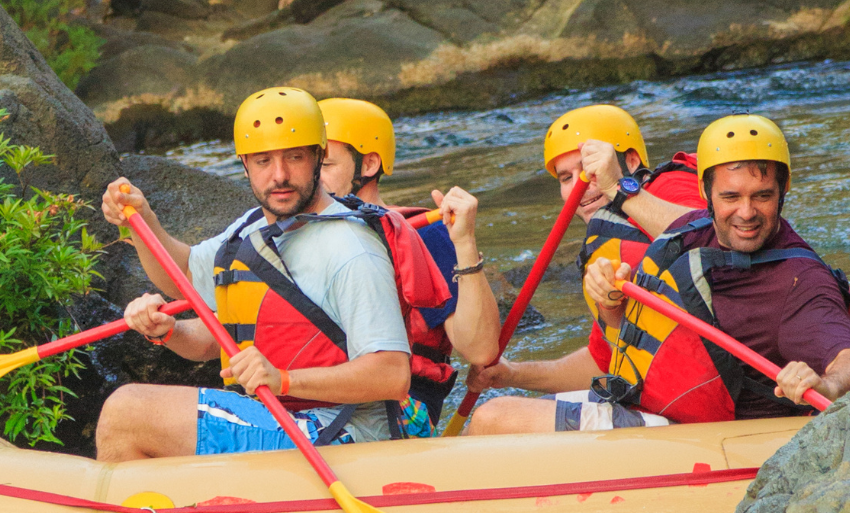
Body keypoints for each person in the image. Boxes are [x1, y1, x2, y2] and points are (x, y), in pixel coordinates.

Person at [467, 114, 850, 433]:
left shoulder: (798, 279)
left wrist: (825, 385)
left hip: (702, 436)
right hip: (650, 406)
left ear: (784, 190)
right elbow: (627, 354)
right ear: (706, 194)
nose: (746, 212)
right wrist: (611, 305)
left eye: (762, 196)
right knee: (498, 413)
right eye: (730, 196)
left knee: (494, 418)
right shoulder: (694, 233)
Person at [94, 86, 447, 461]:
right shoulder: (251, 228)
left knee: (128, 412)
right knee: (130, 409)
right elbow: (183, 276)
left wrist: (283, 379)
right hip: (285, 416)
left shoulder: (352, 249)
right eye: (263, 161)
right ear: (245, 165)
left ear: (318, 156)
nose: (279, 176)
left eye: (294, 158)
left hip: (348, 432)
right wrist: (143, 222)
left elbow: (392, 375)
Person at [462, 104, 702, 406]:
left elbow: (707, 235)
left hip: (707, 400)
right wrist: (511, 375)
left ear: (630, 162)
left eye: (589, 169)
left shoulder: (669, 186)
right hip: (674, 396)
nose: (580, 186)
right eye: (566, 178)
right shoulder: (607, 242)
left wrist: (617, 187)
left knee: (493, 416)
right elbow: (603, 361)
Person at [316, 97, 499, 431]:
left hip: (396, 407)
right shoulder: (296, 240)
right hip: (321, 394)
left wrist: (464, 243)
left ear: (368, 164)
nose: (311, 178)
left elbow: (481, 351)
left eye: (325, 165)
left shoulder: (423, 235)